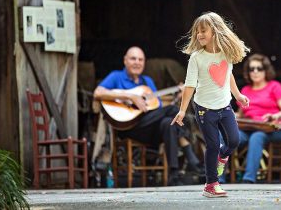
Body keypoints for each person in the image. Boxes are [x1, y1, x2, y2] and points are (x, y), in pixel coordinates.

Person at [93, 46, 202, 186]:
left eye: (140, 59)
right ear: (125, 61)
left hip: (149, 129)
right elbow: (98, 93)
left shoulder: (147, 82)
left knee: (168, 122)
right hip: (128, 127)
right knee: (172, 111)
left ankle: (173, 175)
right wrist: (130, 96)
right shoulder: (116, 76)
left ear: (144, 63)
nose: (137, 62)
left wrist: (178, 96)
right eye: (133, 58)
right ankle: (191, 157)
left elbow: (158, 109)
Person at [171, 12, 250, 198]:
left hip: (225, 106)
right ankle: (211, 184)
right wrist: (182, 110)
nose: (199, 35)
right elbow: (189, 85)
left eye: (203, 30)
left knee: (233, 141)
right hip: (205, 109)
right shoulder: (196, 58)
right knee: (212, 145)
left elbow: (227, 74)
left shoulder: (227, 53)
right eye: (197, 31)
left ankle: (223, 157)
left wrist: (237, 95)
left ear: (215, 31)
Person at [235, 53, 281, 183]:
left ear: (266, 70)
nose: (255, 72)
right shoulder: (245, 90)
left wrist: (275, 116)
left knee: (257, 136)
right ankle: (217, 178)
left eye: (259, 68)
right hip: (249, 128)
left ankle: (248, 180)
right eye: (251, 69)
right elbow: (241, 114)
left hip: (272, 129)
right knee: (228, 136)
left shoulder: (275, 86)